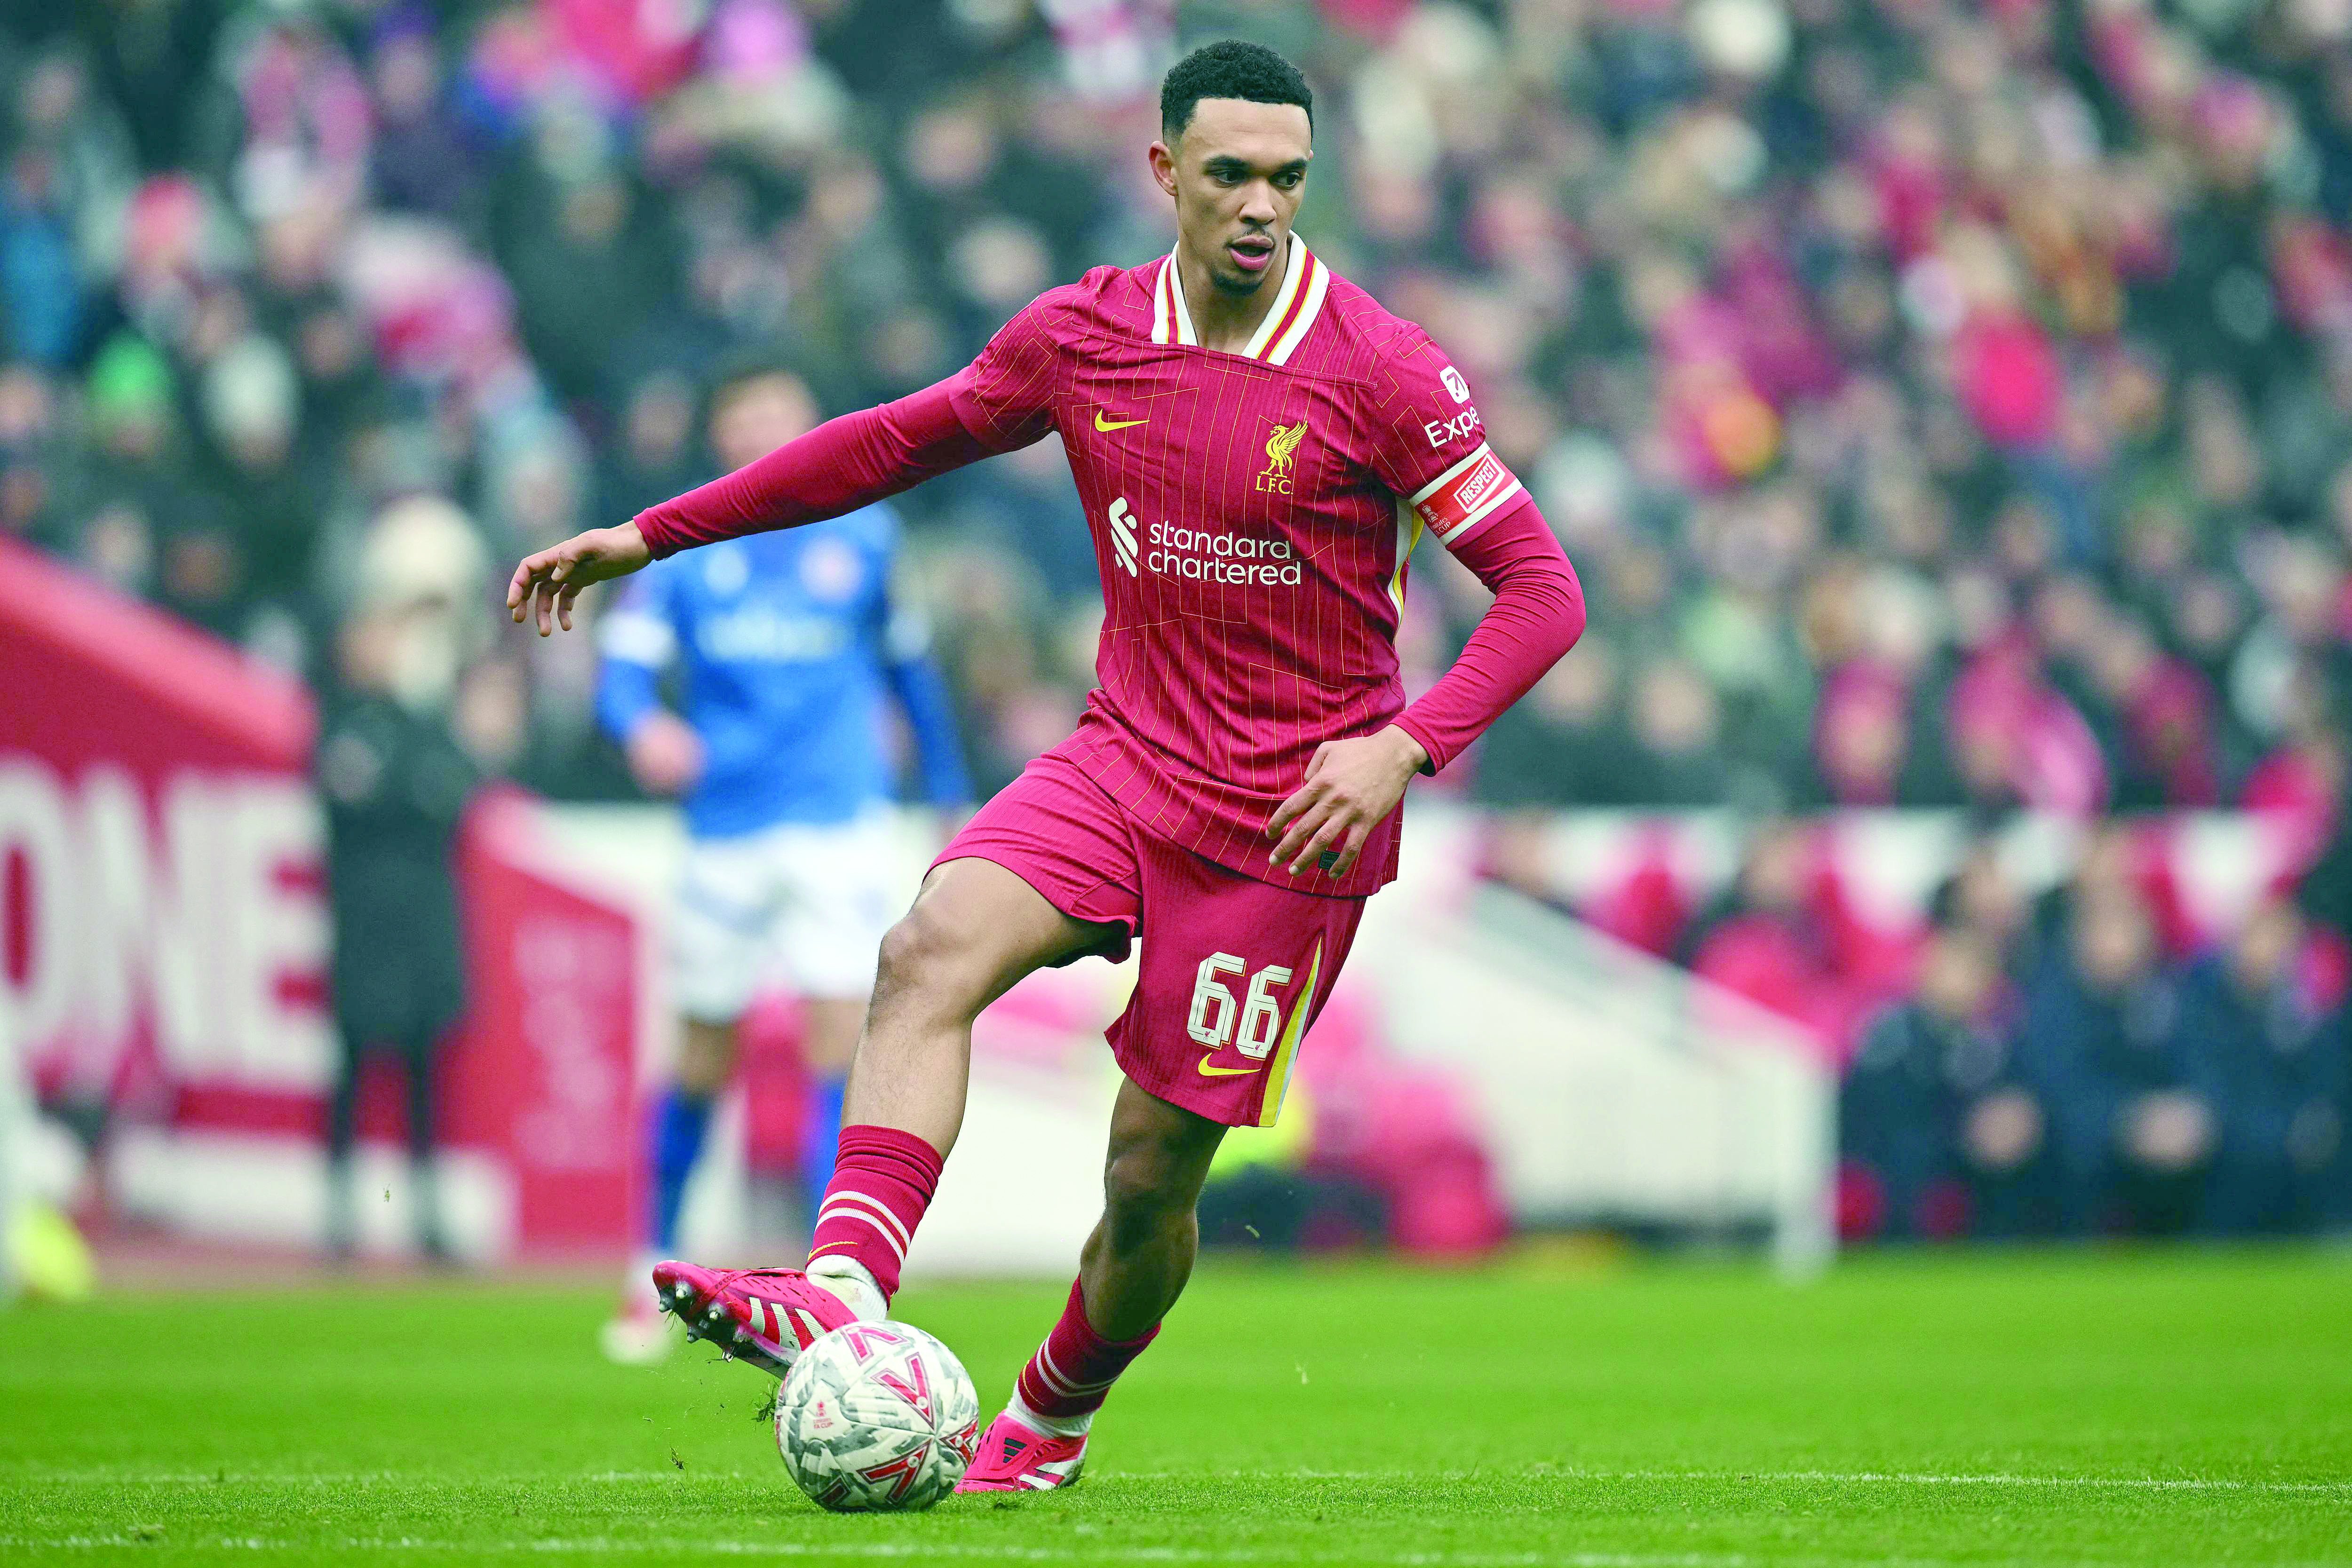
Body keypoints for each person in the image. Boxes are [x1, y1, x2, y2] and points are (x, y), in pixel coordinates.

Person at [507, 41, 1585, 1490]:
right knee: (926, 945)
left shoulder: (1383, 370)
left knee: (1148, 1176)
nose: (1262, 206)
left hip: (1291, 828)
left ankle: (1057, 1409)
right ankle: (842, 1287)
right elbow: (889, 444)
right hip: (1126, 758)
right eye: (1230, 176)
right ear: (1164, 175)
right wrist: (654, 534)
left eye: (1287, 178)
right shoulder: (1084, 338)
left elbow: (1542, 588)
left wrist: (1405, 744)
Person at [595, 362, 972, 1363]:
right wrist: (643, 731)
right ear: (721, 432)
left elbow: (912, 672)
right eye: (745, 413)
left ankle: (826, 1282)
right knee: (702, 1053)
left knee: (834, 1045)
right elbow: (621, 679)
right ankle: (653, 1263)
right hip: (723, 829)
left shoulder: (865, 534)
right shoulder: (683, 545)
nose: (764, 426)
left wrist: (948, 787)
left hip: (836, 821)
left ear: (811, 422)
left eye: (780, 411)